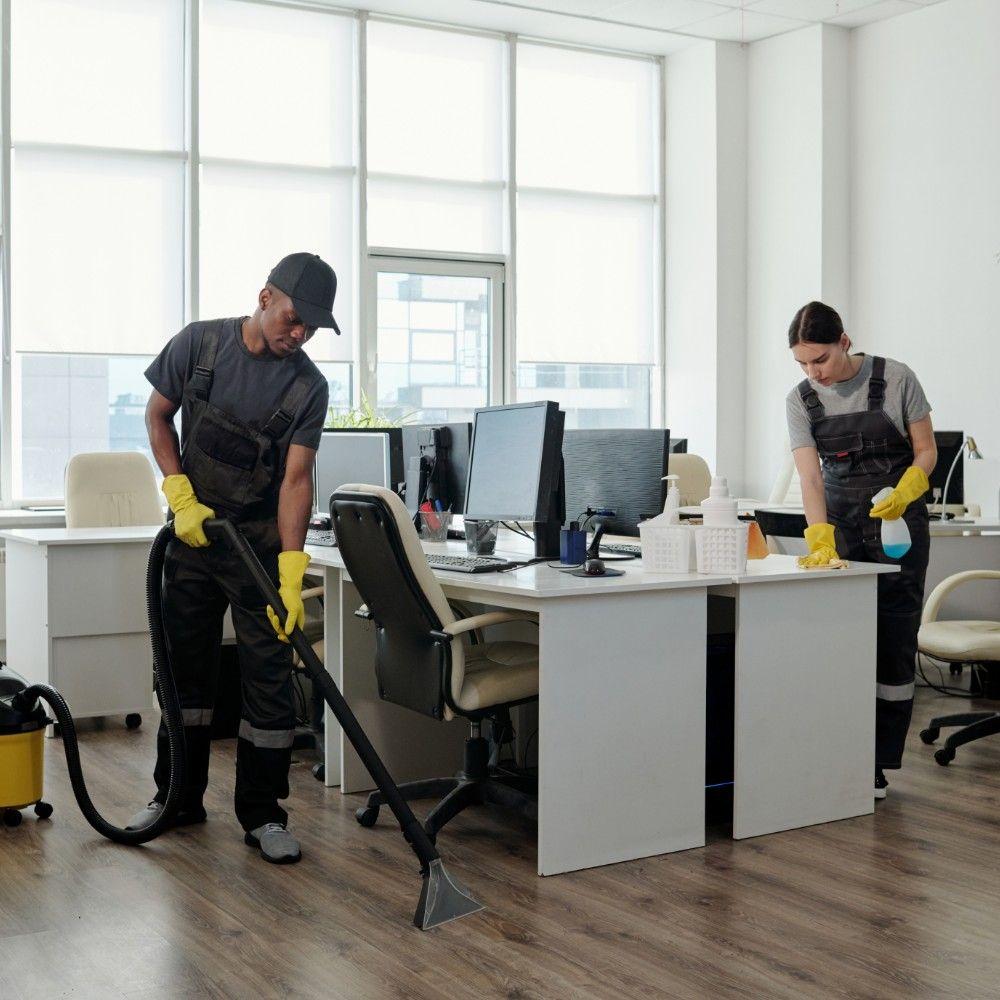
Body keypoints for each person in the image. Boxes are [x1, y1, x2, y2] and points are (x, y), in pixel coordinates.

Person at [130, 252, 335, 863]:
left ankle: (263, 813)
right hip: (193, 540)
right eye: (294, 318)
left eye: (311, 327)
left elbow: (297, 480)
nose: (300, 334)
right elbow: (157, 414)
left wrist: (292, 571)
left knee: (269, 683)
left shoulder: (308, 387)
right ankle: (176, 798)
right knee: (184, 675)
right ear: (265, 296)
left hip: (258, 551)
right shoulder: (200, 346)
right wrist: (178, 491)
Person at [786, 301, 935, 800]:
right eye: (803, 363)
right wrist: (818, 536)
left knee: (893, 643)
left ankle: (877, 762)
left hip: (898, 525)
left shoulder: (896, 379)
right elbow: (810, 477)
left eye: (821, 359)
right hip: (842, 527)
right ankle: (838, 752)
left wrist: (909, 488)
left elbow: (926, 450)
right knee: (842, 640)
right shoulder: (800, 400)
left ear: (844, 342)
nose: (814, 373)